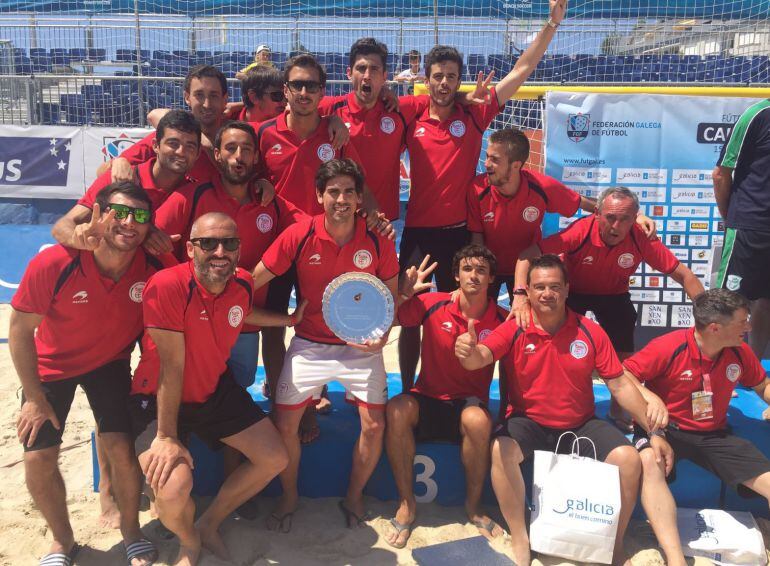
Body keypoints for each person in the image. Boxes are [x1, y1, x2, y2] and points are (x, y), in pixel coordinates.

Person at [398, 0, 568, 390]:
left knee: (472, 317)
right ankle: (410, 391)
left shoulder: (474, 114)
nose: (444, 83)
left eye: (451, 77)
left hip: (459, 234)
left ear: (460, 80)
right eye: (437, 76)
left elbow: (522, 70)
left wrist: (551, 25)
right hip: (419, 234)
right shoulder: (411, 114)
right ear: (426, 78)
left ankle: (468, 389)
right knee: (410, 315)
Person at [455, 254, 663, 566]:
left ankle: (614, 544)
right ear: (529, 291)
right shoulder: (515, 328)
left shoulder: (590, 330)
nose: (546, 293)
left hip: (580, 424)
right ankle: (521, 540)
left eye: (554, 286)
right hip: (530, 422)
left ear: (567, 289)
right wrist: (466, 351)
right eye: (539, 287)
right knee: (501, 450)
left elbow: (618, 384)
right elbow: (480, 357)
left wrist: (653, 430)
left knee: (629, 459)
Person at [11, 182, 172, 566]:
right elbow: (18, 330)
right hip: (51, 367)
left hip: (109, 362)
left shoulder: (153, 268)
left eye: (141, 216)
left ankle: (131, 531)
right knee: (38, 456)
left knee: (121, 448)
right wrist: (33, 398)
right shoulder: (56, 262)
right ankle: (62, 542)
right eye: (119, 213)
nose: (129, 223)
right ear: (96, 215)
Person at [129, 212, 295, 565]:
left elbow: (242, 312)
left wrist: (289, 320)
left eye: (229, 243)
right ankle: (189, 541)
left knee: (275, 458)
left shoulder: (244, 284)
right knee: (173, 491)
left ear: (239, 249)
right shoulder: (167, 285)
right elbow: (172, 368)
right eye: (208, 243)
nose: (220, 251)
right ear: (190, 249)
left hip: (212, 389)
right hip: (157, 396)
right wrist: (165, 436)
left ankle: (209, 523)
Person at [251, 159, 400, 532]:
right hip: (309, 343)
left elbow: (391, 301)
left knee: (374, 426)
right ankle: (289, 497)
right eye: (333, 191)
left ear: (359, 197)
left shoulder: (378, 239)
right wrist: (221, 303)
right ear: (319, 195)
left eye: (349, 191)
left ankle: (353, 495)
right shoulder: (298, 235)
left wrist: (382, 335)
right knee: (284, 422)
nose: (341, 199)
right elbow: (253, 280)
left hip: (360, 348)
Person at [255, 52, 391, 442]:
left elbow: (358, 184)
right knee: (275, 324)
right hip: (282, 243)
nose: (303, 92)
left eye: (311, 85)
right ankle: (291, 400)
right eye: (296, 84)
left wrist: (378, 218)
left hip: (324, 242)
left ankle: (320, 391)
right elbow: (254, 175)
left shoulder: (336, 134)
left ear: (321, 92)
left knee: (327, 317)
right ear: (285, 90)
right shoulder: (265, 133)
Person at [518, 186, 704, 429]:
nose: (616, 226)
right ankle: (553, 404)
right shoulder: (580, 232)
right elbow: (529, 254)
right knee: (557, 349)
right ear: (597, 214)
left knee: (623, 354)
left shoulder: (640, 237)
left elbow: (685, 276)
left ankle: (619, 411)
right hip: (574, 294)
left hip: (614, 295)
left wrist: (708, 319)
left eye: (625, 219)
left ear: (635, 218)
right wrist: (521, 294)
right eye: (610, 218)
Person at [623, 288, 770, 566]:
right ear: (715, 328)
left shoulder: (739, 351)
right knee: (648, 463)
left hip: (714, 433)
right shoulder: (669, 346)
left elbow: (762, 385)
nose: (749, 326)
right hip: (665, 429)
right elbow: (624, 374)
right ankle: (676, 558)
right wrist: (651, 397)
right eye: (742, 321)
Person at [384, 244, 508, 548]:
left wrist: (505, 411)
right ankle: (406, 503)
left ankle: (474, 508)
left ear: (492, 278)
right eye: (467, 269)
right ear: (456, 275)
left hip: (468, 403)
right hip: (427, 397)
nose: (474, 275)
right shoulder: (432, 303)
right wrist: (403, 294)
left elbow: (511, 370)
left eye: (481, 270)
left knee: (478, 420)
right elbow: (389, 321)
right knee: (397, 409)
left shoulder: (504, 319)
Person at [468, 128, 657, 305]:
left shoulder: (542, 187)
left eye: (494, 159)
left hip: (526, 267)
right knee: (481, 321)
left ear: (516, 165)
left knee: (528, 324)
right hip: (489, 265)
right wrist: (479, 275)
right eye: (487, 157)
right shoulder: (477, 189)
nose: (486, 164)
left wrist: (636, 215)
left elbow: (586, 203)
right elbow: (477, 241)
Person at [52, 110, 202, 256]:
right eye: (173, 143)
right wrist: (78, 239)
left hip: (161, 275)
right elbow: (63, 225)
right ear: (156, 145)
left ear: (198, 153)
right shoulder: (122, 178)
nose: (181, 152)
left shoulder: (195, 192)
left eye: (190, 146)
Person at [318, 37, 416, 221]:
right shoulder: (330, 108)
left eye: (374, 69)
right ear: (349, 73)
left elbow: (439, 99)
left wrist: (467, 96)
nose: (367, 75)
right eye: (361, 68)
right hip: (339, 221)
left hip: (383, 221)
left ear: (384, 76)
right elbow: (288, 108)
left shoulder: (399, 111)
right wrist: (330, 118)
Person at [104, 65, 230, 184]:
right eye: (199, 95)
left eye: (214, 96)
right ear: (187, 97)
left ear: (225, 100)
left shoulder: (238, 136)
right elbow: (103, 172)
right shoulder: (169, 139)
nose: (206, 104)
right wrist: (119, 162)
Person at [713, 98, 770, 360]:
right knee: (728, 303)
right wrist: (731, 218)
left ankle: (751, 369)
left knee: (767, 302)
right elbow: (721, 173)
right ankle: (713, 371)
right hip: (750, 225)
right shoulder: (757, 114)